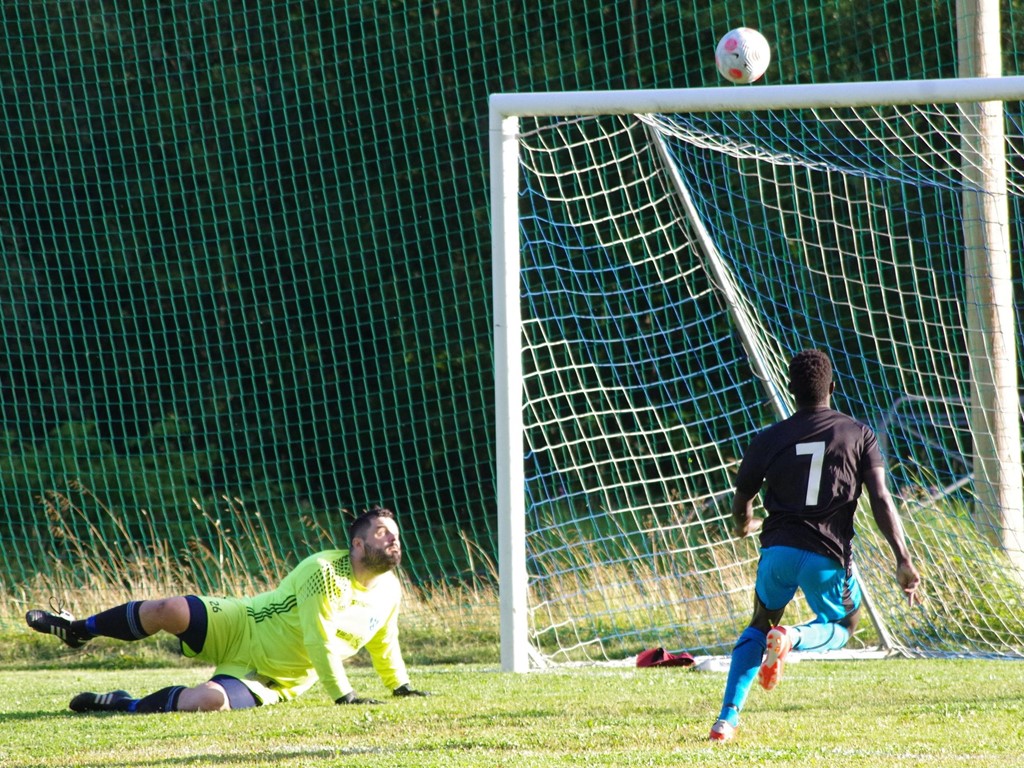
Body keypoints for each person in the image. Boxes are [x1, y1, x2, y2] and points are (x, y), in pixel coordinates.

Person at [26, 505, 431, 713]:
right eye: (382, 534)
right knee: (169, 607)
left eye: (395, 535)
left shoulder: (390, 589)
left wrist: (400, 686)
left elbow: (385, 639)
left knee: (208, 702)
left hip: (273, 677)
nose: (393, 540)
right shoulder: (325, 572)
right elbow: (319, 638)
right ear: (358, 545)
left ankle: (119, 704)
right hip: (244, 624)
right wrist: (344, 696)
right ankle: (77, 629)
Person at [709, 349, 920, 743]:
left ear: (791, 390)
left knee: (759, 622)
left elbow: (741, 503)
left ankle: (726, 720)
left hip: (778, 553)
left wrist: (744, 526)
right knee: (845, 623)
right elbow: (880, 498)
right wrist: (902, 558)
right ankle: (792, 638)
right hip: (827, 556)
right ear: (833, 387)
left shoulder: (768, 438)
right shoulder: (860, 434)